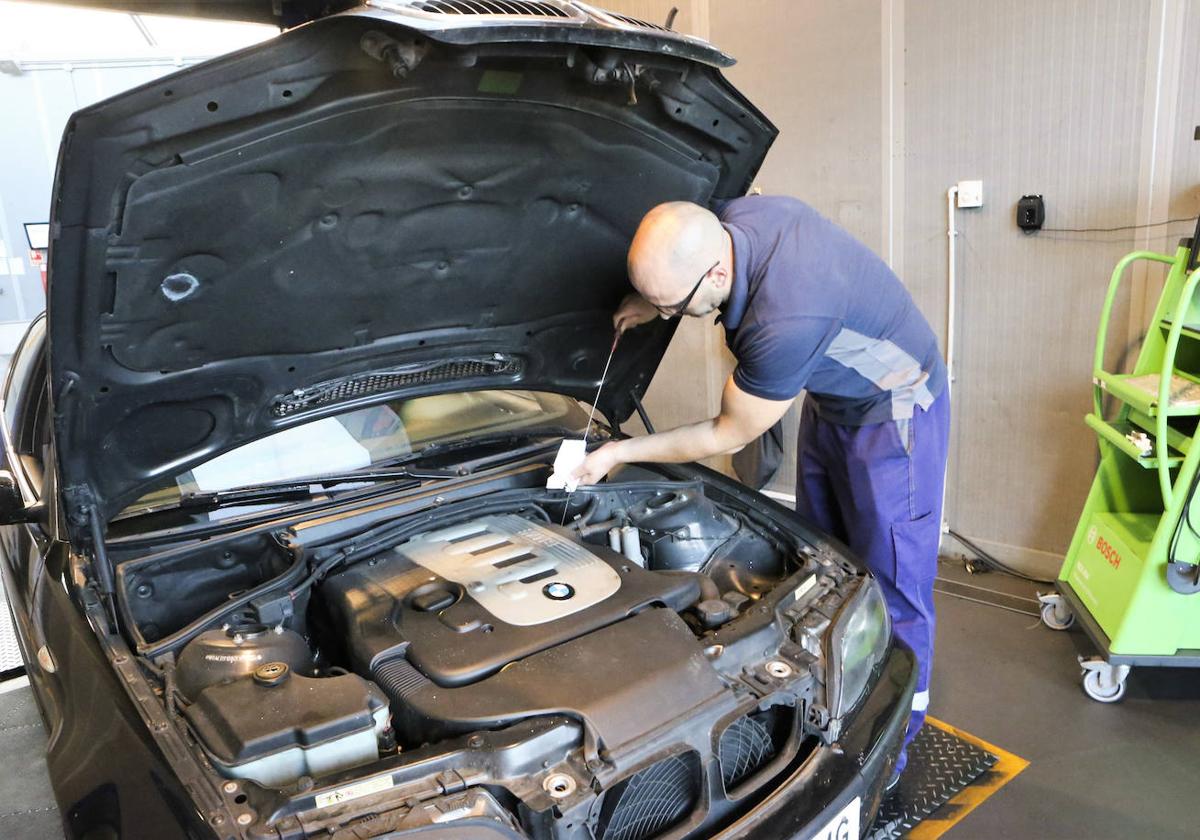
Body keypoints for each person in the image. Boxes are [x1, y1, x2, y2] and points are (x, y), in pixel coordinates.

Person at [572, 197, 949, 784]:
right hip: (832, 395)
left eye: (675, 306)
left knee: (893, 583)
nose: (670, 316)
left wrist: (619, 452)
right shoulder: (735, 220)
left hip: (895, 408)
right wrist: (652, 300)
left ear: (717, 276)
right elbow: (686, 258)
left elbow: (727, 431)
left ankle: (895, 743)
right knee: (827, 561)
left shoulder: (786, 319)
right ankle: (821, 692)